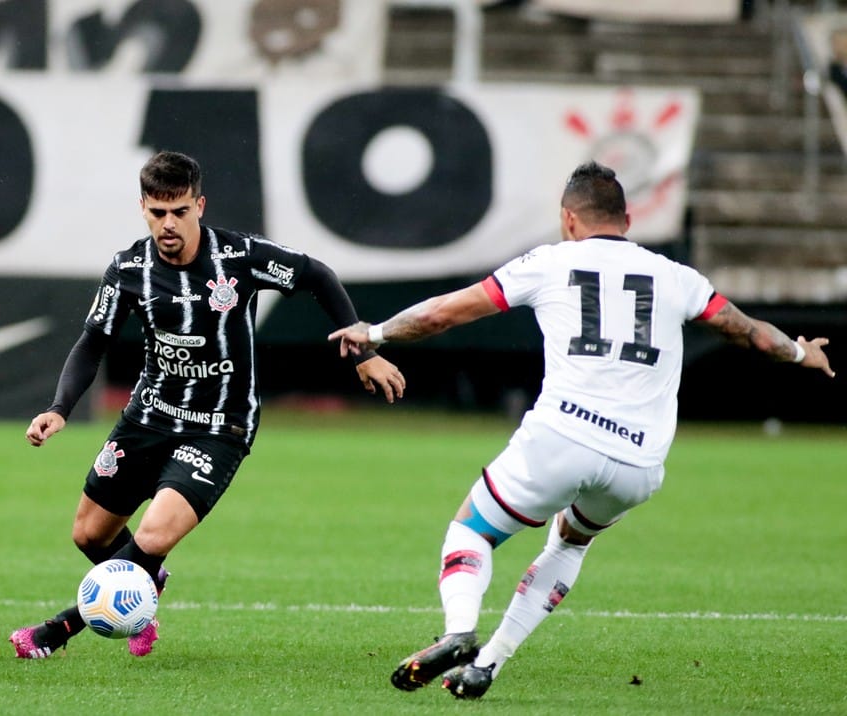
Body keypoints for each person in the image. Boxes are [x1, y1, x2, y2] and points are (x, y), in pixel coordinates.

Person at [328, 161, 835, 699]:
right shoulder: (677, 277)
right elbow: (751, 334)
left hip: (563, 438)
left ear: (569, 218)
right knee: (570, 545)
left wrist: (375, 331)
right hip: (639, 463)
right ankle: (488, 666)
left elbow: (443, 315)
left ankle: (458, 633)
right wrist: (802, 352)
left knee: (471, 531)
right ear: (628, 219)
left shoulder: (549, 262)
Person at [9, 150, 406, 659]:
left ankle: (57, 631)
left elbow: (318, 275)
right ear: (143, 208)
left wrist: (363, 352)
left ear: (200, 205)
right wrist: (60, 407)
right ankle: (147, 591)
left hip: (219, 425)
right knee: (88, 534)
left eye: (179, 211)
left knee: (152, 535)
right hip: (148, 416)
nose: (168, 224)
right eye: (158, 212)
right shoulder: (129, 268)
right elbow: (93, 340)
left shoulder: (239, 258)